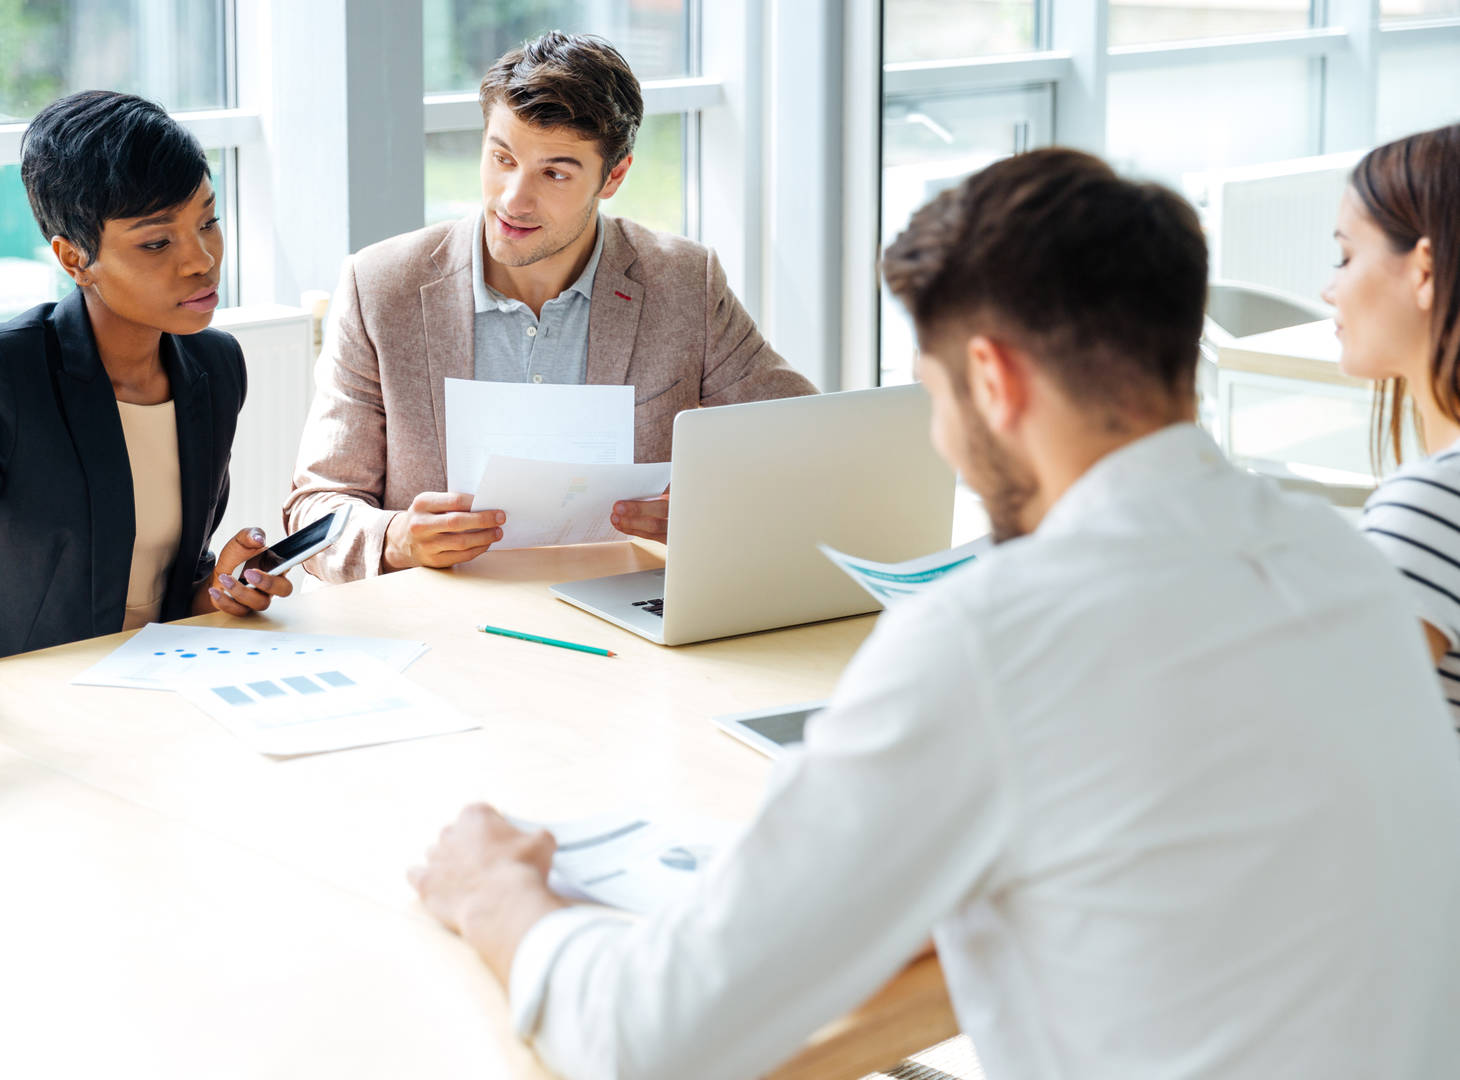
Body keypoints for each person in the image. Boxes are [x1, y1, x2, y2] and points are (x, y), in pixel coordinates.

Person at [408, 149, 1460, 1079]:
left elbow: (654, 1039)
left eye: (935, 397)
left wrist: (495, 894)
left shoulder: (996, 636)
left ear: (993, 381)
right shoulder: (1337, 555)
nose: (946, 441)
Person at [285, 32, 815, 580]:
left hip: (624, 625)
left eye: (555, 173)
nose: (514, 198)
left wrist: (711, 509)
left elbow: (808, 443)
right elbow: (315, 512)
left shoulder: (685, 284)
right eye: (502, 157)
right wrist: (397, 539)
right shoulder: (380, 288)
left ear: (614, 176)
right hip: (440, 629)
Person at [0, 91, 290, 690]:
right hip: (28, 696)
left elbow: (159, 581)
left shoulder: (214, 364)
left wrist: (213, 592)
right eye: (157, 242)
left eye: (208, 219)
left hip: (164, 684)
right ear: (74, 257)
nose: (203, 259)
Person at [1323, 122, 1460, 731]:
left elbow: (1338, 743)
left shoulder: (1434, 504)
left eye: (1346, 256)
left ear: (1423, 270)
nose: (1330, 289)